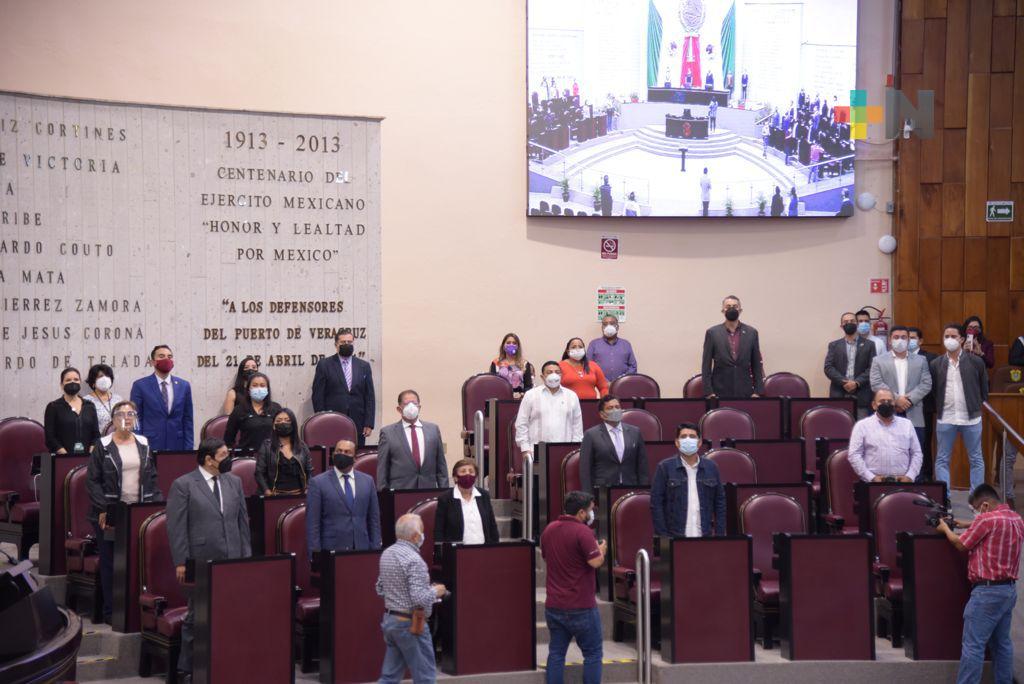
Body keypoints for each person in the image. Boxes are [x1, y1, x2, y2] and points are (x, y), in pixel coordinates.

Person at [166, 438, 252, 678]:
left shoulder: (234, 482)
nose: (229, 459)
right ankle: (187, 669)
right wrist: (181, 561)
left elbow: (242, 523)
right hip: (200, 560)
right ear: (209, 459)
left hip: (232, 559)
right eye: (224, 455)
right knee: (197, 616)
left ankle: (225, 663)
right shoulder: (184, 485)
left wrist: (246, 558)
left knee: (231, 612)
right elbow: (176, 527)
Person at [935, 484, 1024, 684]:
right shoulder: (1016, 519)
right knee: (1002, 645)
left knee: (973, 646)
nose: (976, 513)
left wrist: (945, 529)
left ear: (985, 505)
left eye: (975, 509)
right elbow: (995, 526)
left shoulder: (986, 520)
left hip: (986, 592)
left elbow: (960, 544)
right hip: (1008, 591)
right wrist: (969, 523)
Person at [86, 400, 161, 621]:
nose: (126, 418)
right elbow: (92, 481)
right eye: (121, 414)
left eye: (130, 414)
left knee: (137, 561)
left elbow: (152, 477)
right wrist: (103, 509)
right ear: (113, 419)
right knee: (111, 563)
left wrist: (157, 506)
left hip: (138, 510)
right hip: (110, 512)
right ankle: (112, 611)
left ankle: (135, 610)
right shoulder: (103, 445)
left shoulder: (143, 443)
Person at [540, 491, 606, 684]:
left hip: (554, 605)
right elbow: (595, 562)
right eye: (590, 510)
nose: (592, 514)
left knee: (556, 653)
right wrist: (601, 551)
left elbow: (545, 556)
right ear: (581, 512)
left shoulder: (549, 529)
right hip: (581, 606)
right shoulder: (583, 532)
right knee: (593, 654)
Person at [376, 513, 447, 684]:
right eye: (422, 531)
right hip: (410, 624)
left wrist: (399, 595)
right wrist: (436, 591)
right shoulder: (415, 561)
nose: (423, 535)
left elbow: (379, 588)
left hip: (391, 621)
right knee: (425, 678)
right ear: (415, 536)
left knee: (389, 678)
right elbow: (419, 598)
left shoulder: (387, 554)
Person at [933, 323, 990, 492]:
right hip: (946, 418)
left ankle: (976, 499)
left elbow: (984, 389)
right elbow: (934, 391)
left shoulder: (976, 362)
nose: (949, 339)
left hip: (971, 418)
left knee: (976, 459)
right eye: (946, 336)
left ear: (962, 339)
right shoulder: (936, 364)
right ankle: (945, 498)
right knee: (942, 459)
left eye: (953, 336)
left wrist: (975, 405)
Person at [306, 439, 381, 559]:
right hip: (331, 552)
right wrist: (315, 555)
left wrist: (375, 549)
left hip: (362, 549)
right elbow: (313, 523)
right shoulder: (318, 483)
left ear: (355, 458)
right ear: (333, 455)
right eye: (339, 451)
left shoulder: (368, 481)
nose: (342, 454)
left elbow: (374, 520)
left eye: (347, 452)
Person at [650, 423, 726, 537]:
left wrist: (719, 536)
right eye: (683, 436)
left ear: (699, 442)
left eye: (692, 436)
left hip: (704, 535)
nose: (688, 439)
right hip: (675, 536)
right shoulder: (664, 467)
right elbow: (656, 504)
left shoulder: (711, 467)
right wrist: (664, 538)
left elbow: (720, 503)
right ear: (677, 442)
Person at [870, 326, 933, 449]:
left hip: (914, 413)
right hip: (888, 412)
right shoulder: (878, 361)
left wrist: (908, 401)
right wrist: (897, 399)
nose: (900, 340)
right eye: (896, 337)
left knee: (915, 452)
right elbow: (876, 383)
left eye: (904, 337)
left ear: (908, 340)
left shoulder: (921, 360)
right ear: (889, 340)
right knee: (888, 451)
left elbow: (926, 384)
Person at [311, 328, 376, 447]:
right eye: (343, 342)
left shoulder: (364, 366)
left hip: (358, 423)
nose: (347, 344)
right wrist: (322, 420)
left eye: (349, 342)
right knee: (334, 454)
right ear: (336, 345)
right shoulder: (324, 365)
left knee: (356, 454)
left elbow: (369, 396)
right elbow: (318, 396)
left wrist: (369, 423)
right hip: (332, 422)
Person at [377, 390, 449, 490]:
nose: (411, 407)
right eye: (406, 404)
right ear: (399, 409)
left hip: (427, 490)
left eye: (414, 403)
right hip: (400, 492)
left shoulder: (433, 430)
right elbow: (382, 468)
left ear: (419, 407)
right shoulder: (388, 433)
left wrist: (444, 492)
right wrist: (384, 494)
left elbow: (441, 466)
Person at [846, 389, 922, 482]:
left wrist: (910, 476)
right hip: (872, 483)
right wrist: (871, 477)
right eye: (882, 401)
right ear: (874, 405)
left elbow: (917, 453)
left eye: (890, 401)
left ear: (894, 404)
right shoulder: (862, 426)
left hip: (902, 482)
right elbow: (854, 455)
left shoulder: (907, 424)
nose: (886, 404)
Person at [578, 395, 648, 493]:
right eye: (610, 408)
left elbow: (642, 465)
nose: (615, 410)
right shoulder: (591, 435)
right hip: (603, 490)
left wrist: (643, 490)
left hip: (631, 488)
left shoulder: (635, 432)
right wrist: (588, 496)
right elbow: (585, 469)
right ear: (602, 414)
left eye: (617, 407)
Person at [514, 361, 584, 458]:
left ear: (561, 375)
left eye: (557, 372)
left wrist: (574, 450)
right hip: (536, 451)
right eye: (549, 372)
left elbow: (577, 427)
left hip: (565, 451)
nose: (554, 375)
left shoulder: (572, 396)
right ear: (542, 377)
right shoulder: (531, 395)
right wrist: (525, 449)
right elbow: (522, 423)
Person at [130, 345, 194, 451]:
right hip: (150, 444)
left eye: (169, 357)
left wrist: (189, 448)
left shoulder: (184, 385)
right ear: (152, 362)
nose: (166, 359)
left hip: (177, 445)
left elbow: (188, 419)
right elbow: (136, 419)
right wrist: (139, 447)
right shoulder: (140, 385)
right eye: (161, 356)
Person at [701, 295, 765, 398]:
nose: (731, 309)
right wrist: (709, 392)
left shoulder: (752, 333)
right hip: (719, 392)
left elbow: (756, 364)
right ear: (723, 310)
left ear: (740, 310)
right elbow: (706, 365)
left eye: (735, 306)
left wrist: (758, 391)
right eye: (728, 306)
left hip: (746, 392)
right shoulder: (712, 333)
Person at [434, 458, 500, 546]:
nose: (467, 474)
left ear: (476, 477)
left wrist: (495, 547)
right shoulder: (445, 498)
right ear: (455, 477)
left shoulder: (484, 495)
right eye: (463, 471)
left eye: (471, 471)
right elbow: (439, 530)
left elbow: (492, 526)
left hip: (484, 549)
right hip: (457, 550)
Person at [824, 312, 877, 418]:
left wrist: (856, 383)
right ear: (841, 326)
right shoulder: (834, 345)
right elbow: (828, 367)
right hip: (839, 394)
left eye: (852, 321)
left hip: (862, 396)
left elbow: (872, 368)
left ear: (857, 324)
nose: (849, 323)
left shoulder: (869, 345)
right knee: (839, 426)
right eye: (846, 322)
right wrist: (844, 382)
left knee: (862, 427)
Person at [255, 407, 313, 495]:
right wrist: (267, 491)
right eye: (279, 421)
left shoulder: (303, 446)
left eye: (287, 420)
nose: (283, 423)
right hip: (274, 495)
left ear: (293, 424)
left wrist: (308, 489)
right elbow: (259, 473)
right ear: (273, 425)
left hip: (299, 495)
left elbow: (309, 471)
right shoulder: (266, 446)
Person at [45, 367, 101, 454]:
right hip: (62, 457)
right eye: (68, 380)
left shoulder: (89, 406)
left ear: (80, 382)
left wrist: (90, 454)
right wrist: (66, 456)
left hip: (88, 457)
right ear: (61, 385)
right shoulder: (53, 407)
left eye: (76, 379)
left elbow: (96, 434)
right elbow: (50, 438)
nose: (72, 382)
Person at [223, 371, 281, 452]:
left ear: (267, 389)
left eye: (262, 385)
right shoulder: (239, 410)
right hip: (246, 454)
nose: (259, 389)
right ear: (248, 390)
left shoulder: (276, 408)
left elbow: (283, 435)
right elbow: (228, 438)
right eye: (254, 385)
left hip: (271, 455)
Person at [908, 326, 939, 480]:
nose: (910, 341)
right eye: (907, 337)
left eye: (913, 338)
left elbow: (932, 383)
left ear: (920, 341)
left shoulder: (931, 358)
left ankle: (926, 475)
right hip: (902, 405)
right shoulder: (899, 357)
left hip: (924, 406)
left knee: (924, 442)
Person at [586, 314, 637, 383]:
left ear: (617, 327)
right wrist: (604, 381)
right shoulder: (594, 344)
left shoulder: (626, 344)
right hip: (599, 385)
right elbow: (588, 366)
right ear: (602, 328)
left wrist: (622, 379)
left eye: (612, 323)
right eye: (605, 324)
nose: (608, 326)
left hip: (622, 385)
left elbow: (633, 367)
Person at [489, 332, 534, 399]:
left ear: (518, 347)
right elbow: (492, 385)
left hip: (519, 400)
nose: (511, 345)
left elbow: (528, 386)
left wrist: (521, 394)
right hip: (501, 399)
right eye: (508, 343)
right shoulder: (496, 363)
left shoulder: (525, 364)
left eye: (514, 343)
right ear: (503, 346)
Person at [83, 363, 123, 435]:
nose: (104, 379)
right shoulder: (86, 401)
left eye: (107, 376)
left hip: (117, 438)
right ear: (93, 381)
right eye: (100, 376)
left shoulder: (118, 399)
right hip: (96, 440)